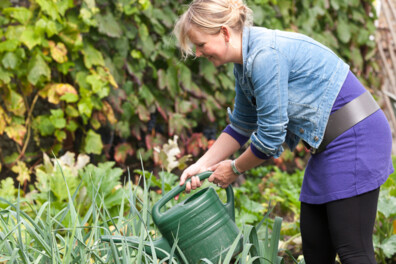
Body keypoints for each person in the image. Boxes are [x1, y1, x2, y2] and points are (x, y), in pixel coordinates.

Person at [173, 0, 394, 263]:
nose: (198, 53)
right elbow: (242, 125)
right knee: (315, 248)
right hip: (327, 146)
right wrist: (201, 164)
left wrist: (234, 169)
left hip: (356, 137)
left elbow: (269, 139)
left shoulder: (265, 56)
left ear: (223, 32)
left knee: (352, 250)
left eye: (200, 44)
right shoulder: (243, 64)